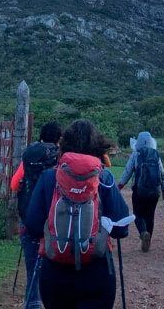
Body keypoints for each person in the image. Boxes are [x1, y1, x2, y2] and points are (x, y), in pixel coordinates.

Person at [25, 119, 130, 309]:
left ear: (63, 144)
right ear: (98, 145)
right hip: (97, 274)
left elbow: (32, 226)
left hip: (55, 275)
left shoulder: (49, 177)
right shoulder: (104, 178)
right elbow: (121, 229)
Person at [11, 121, 62, 309]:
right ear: (59, 139)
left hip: (30, 219)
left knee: (33, 270)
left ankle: (33, 303)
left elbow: (14, 185)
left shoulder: (30, 155)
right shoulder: (61, 158)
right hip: (57, 221)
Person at [117, 131, 164, 252]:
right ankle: (148, 238)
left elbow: (128, 172)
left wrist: (119, 186)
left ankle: (143, 232)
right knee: (150, 215)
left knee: (138, 214)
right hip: (154, 190)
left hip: (139, 190)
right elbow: (161, 173)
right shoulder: (156, 155)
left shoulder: (136, 154)